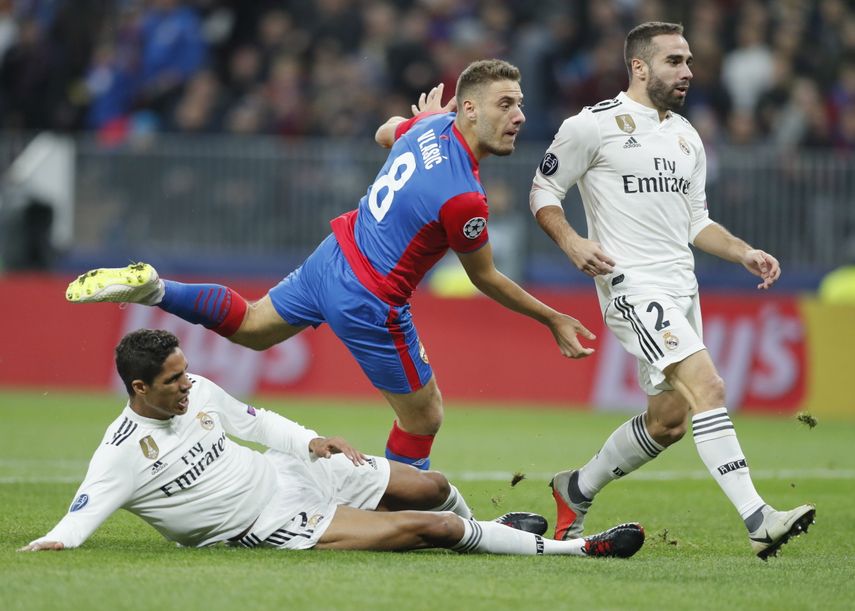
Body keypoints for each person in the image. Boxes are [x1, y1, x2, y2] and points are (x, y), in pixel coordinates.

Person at [65, 59, 596, 472]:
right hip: (371, 298)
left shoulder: (429, 129)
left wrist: (423, 119)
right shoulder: (465, 198)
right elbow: (485, 278)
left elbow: (384, 132)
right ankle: (397, 511)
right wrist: (552, 317)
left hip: (335, 255)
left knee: (252, 326)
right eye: (506, 104)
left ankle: (155, 288)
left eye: (520, 104)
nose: (519, 116)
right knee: (424, 416)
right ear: (471, 110)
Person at [528, 22, 815, 560]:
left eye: (688, 62)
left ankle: (577, 488)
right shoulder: (591, 125)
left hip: (682, 287)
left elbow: (696, 222)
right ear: (639, 67)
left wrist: (743, 251)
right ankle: (759, 519)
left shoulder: (686, 136)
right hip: (631, 285)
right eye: (675, 61)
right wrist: (571, 241)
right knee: (709, 387)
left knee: (669, 422)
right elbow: (544, 190)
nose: (688, 72)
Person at [19, 329, 644, 558]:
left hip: (289, 473)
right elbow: (78, 519)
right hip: (268, 523)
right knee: (433, 529)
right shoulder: (121, 453)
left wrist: (311, 442)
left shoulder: (201, 391)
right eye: (173, 380)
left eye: (186, 372)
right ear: (139, 388)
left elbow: (257, 423)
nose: (188, 384)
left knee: (432, 487)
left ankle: (492, 528)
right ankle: (577, 550)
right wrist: (50, 544)